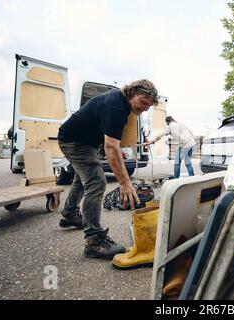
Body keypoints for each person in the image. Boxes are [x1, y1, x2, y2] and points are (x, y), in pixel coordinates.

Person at [57, 79, 159, 260]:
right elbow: (111, 146)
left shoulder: (119, 103)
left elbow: (108, 140)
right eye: (144, 102)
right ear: (133, 91)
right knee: (96, 182)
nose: (145, 108)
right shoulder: (117, 106)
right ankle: (94, 242)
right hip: (75, 142)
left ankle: (70, 213)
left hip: (80, 139)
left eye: (148, 106)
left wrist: (116, 151)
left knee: (83, 179)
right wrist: (125, 182)